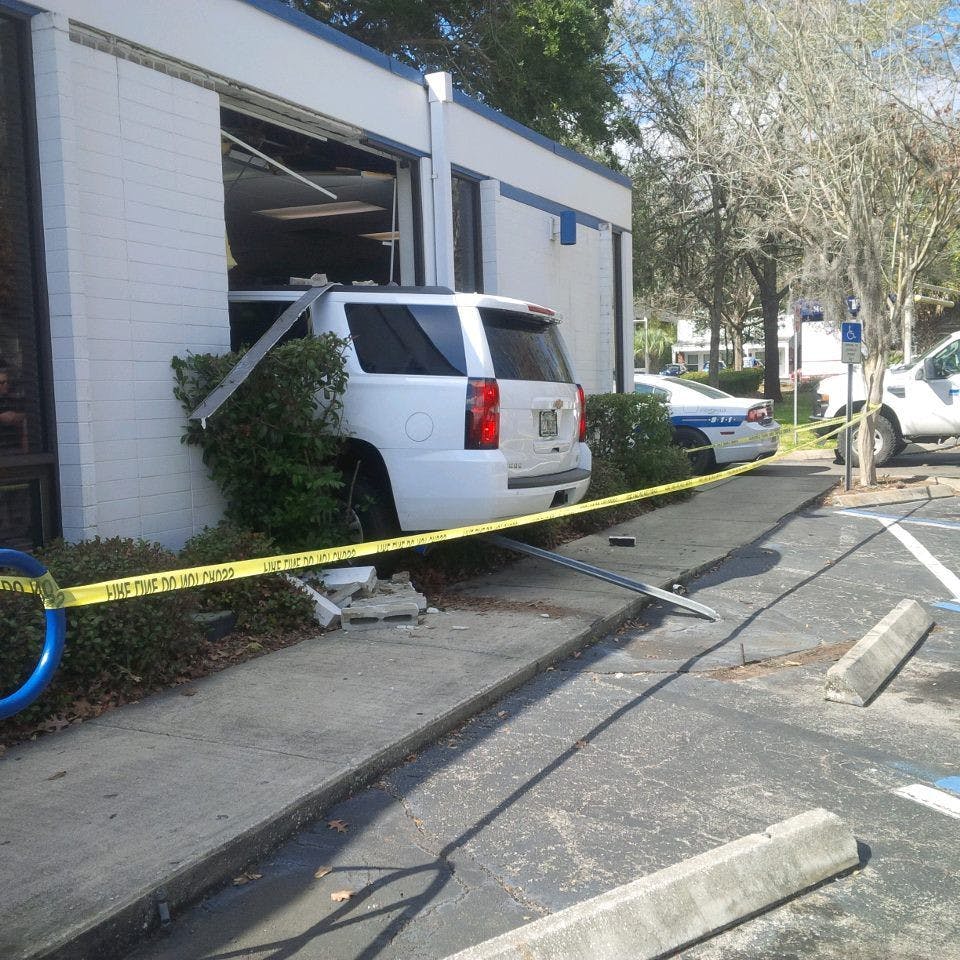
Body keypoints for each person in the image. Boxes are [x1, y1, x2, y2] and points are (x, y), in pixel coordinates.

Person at [0, 361, 28, 452]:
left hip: (15, 448)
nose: (6, 385)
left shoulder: (12, 400)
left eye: (7, 382)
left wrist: (17, 417)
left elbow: (29, 414)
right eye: (2, 383)